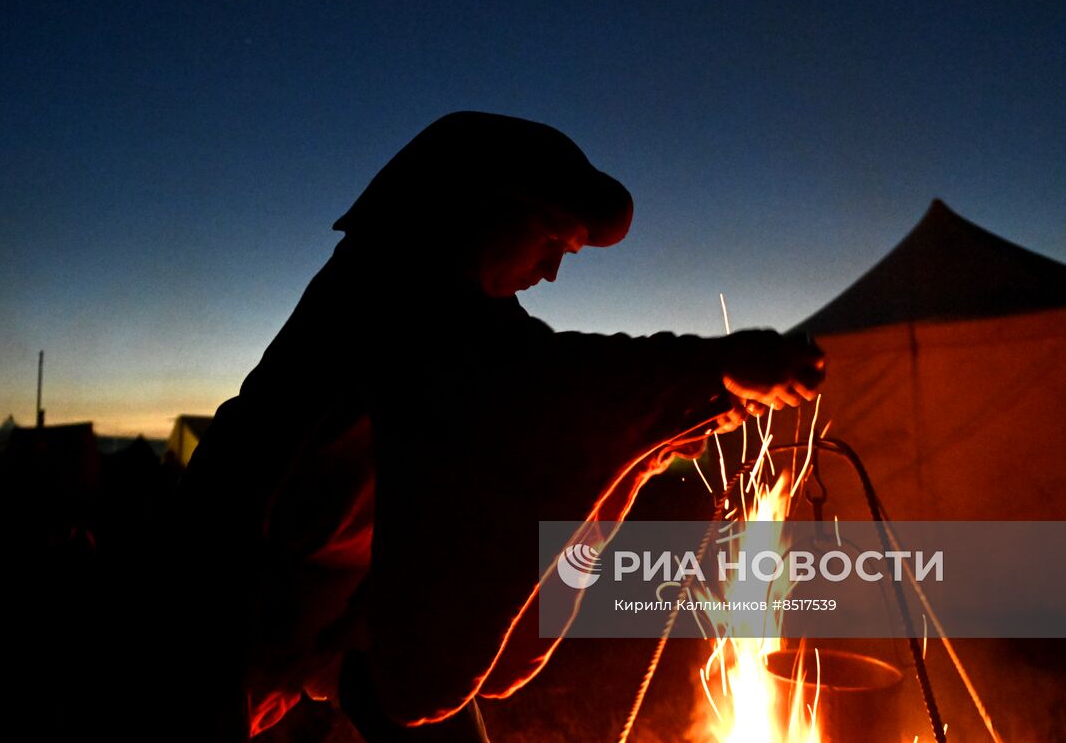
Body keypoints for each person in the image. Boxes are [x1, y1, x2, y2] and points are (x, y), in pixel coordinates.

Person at [173, 111, 824, 742]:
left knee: (411, 697)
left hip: (346, 609)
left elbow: (551, 380)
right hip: (214, 602)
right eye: (550, 242)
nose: (551, 272)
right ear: (485, 210)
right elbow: (547, 390)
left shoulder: (467, 311)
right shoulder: (393, 287)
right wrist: (716, 368)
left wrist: (690, 408)